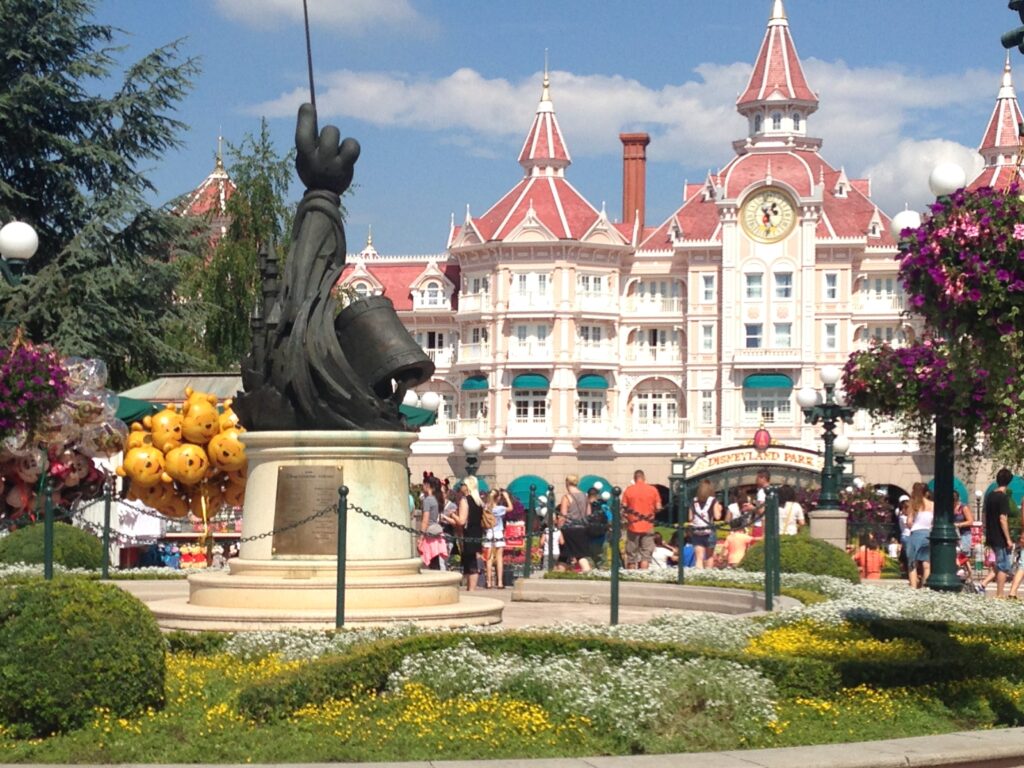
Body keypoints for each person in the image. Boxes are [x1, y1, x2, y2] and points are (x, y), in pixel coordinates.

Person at [620, 469, 662, 569]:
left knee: (631, 555)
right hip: (648, 525)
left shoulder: (629, 490)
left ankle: (631, 577)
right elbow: (658, 507)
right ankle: (643, 577)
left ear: (634, 479)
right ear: (644, 478)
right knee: (646, 555)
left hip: (633, 525)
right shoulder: (653, 490)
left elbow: (623, 508)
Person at [986, 468, 1016, 598]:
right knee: (1003, 566)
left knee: (999, 564)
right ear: (1009, 482)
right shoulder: (1003, 498)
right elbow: (1003, 519)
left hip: (991, 534)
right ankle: (999, 594)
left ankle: (984, 583)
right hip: (1000, 536)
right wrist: (1008, 539)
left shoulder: (990, 496)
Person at [455, 475, 485, 591]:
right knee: (471, 559)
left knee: (470, 562)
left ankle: (471, 589)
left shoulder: (465, 500)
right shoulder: (478, 501)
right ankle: (471, 588)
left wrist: (452, 515)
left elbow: (462, 521)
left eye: (463, 484)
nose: (461, 486)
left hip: (468, 533)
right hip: (477, 532)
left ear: (467, 487)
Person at [558, 475, 593, 571]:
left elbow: (563, 516)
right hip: (582, 529)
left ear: (567, 483)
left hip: (569, 529)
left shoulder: (567, 497)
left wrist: (558, 527)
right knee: (580, 555)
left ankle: (586, 571)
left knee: (564, 555)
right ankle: (587, 571)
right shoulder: (585, 496)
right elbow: (589, 513)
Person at [905, 481, 934, 589]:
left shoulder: (913, 504)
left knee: (912, 563)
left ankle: (913, 587)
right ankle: (924, 587)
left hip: (915, 534)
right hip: (927, 534)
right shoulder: (932, 505)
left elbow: (909, 522)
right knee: (927, 564)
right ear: (926, 493)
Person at [689, 479, 723, 569]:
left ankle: (698, 574)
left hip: (697, 531)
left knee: (699, 558)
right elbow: (717, 517)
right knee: (709, 556)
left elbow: (690, 518)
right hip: (709, 531)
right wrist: (719, 509)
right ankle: (707, 575)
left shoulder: (694, 501)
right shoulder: (713, 501)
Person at [481, 488, 510, 588]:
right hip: (498, 533)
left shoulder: (485, 508)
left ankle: (488, 582)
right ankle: (500, 582)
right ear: (497, 498)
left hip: (489, 533)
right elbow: (510, 508)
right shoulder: (499, 508)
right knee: (499, 559)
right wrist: (506, 497)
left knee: (488, 559)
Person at [418, 475, 448, 570]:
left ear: (427, 485)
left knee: (428, 562)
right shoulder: (436, 499)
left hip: (429, 533)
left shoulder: (428, 500)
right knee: (435, 562)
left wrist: (421, 537)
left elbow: (425, 519)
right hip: (436, 533)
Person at [952, 490, 974, 555]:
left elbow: (971, 521)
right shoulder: (950, 508)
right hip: (954, 535)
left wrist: (959, 524)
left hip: (964, 535)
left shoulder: (963, 507)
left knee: (964, 555)